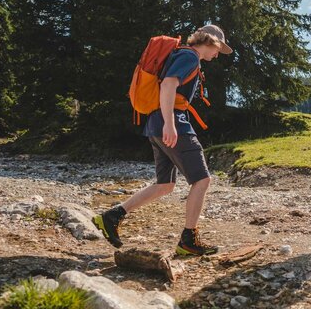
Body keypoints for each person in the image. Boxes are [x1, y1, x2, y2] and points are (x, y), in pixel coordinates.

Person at [93, 25, 233, 256]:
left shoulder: (182, 55)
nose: (217, 54)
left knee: (165, 185)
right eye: (218, 49)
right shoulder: (190, 56)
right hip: (171, 122)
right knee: (202, 180)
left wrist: (164, 122)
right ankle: (189, 240)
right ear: (210, 42)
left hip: (156, 123)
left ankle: (112, 216)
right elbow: (168, 84)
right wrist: (170, 123)